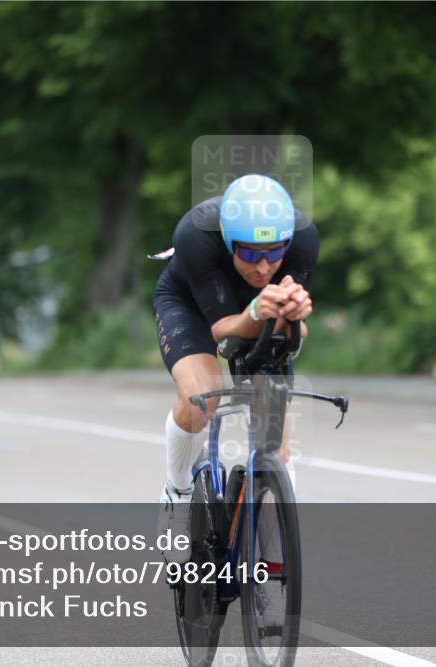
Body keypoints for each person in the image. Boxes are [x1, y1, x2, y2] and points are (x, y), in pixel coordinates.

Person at [152, 174, 318, 562]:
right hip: (192, 306)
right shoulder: (195, 235)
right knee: (200, 399)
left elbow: (293, 335)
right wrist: (260, 309)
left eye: (275, 253)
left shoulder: (305, 237)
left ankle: (275, 550)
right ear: (229, 242)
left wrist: (294, 317)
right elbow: (224, 334)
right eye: (249, 253)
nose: (263, 267)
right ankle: (176, 493)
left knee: (275, 433)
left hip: (258, 310)